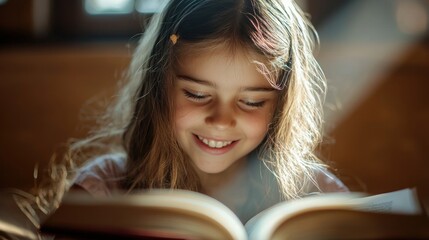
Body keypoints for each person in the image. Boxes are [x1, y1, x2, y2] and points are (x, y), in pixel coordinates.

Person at [34, 0, 348, 225]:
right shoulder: (101, 194)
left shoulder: (319, 201)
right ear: (160, 86)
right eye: (197, 95)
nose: (221, 120)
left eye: (252, 101)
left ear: (281, 105)